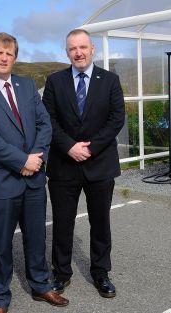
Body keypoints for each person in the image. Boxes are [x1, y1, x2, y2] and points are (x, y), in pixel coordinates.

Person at [0, 32, 69, 313]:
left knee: (37, 238)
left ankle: (41, 286)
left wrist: (36, 159)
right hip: (2, 182)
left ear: (15, 58)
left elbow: (44, 124)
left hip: (34, 181)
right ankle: (0, 297)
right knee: (1, 245)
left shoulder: (27, 85)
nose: (4, 58)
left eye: (9, 54)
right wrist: (23, 161)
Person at [42, 29, 125, 298]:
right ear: (67, 53)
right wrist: (69, 147)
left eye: (82, 47)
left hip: (99, 164)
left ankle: (101, 273)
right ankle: (61, 273)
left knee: (101, 223)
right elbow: (48, 119)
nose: (78, 52)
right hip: (64, 166)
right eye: (72, 48)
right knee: (63, 223)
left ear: (93, 50)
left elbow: (116, 119)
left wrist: (90, 148)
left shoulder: (110, 80)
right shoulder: (55, 81)